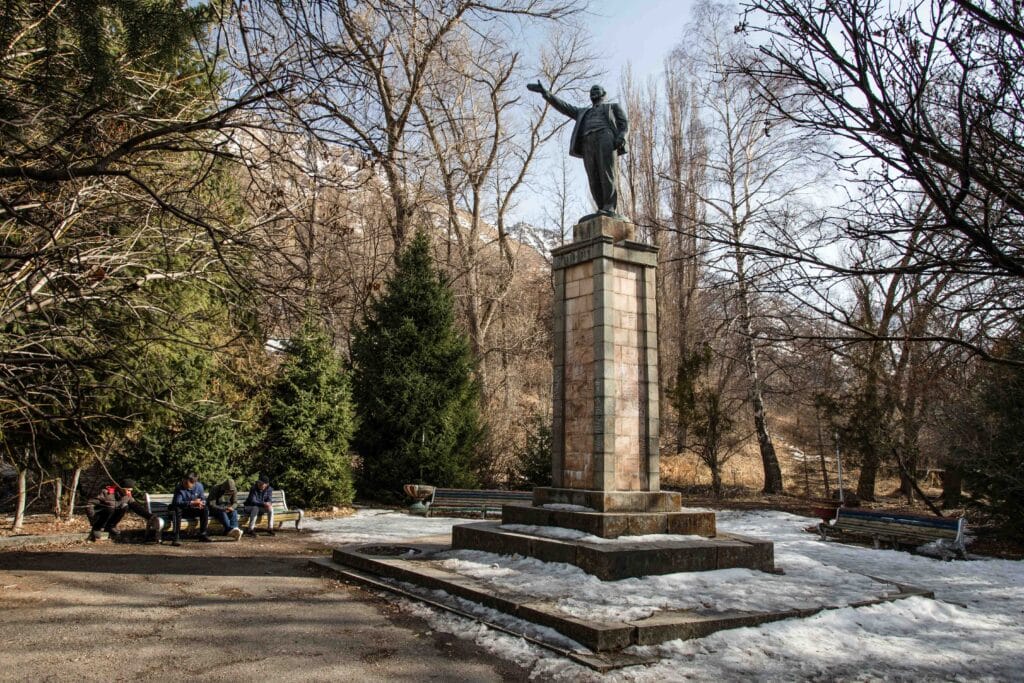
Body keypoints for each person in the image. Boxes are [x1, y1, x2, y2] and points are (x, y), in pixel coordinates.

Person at [527, 81, 628, 218]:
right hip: (587, 141)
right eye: (591, 90)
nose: (593, 91)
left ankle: (609, 207)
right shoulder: (582, 112)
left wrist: (622, 136)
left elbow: (625, 124)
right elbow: (564, 107)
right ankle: (601, 209)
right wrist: (546, 93)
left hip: (605, 137)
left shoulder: (612, 107)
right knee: (593, 176)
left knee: (606, 173)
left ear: (603, 94)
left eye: (596, 89)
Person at [167, 472, 210, 546]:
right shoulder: (179, 488)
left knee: (205, 509)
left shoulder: (199, 486)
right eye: (183, 482)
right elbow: (177, 502)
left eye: (186, 484)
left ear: (193, 483)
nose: (184, 484)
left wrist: (201, 503)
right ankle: (176, 538)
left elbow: (203, 499)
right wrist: (192, 502)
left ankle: (203, 534)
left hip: (192, 510)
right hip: (181, 511)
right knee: (177, 509)